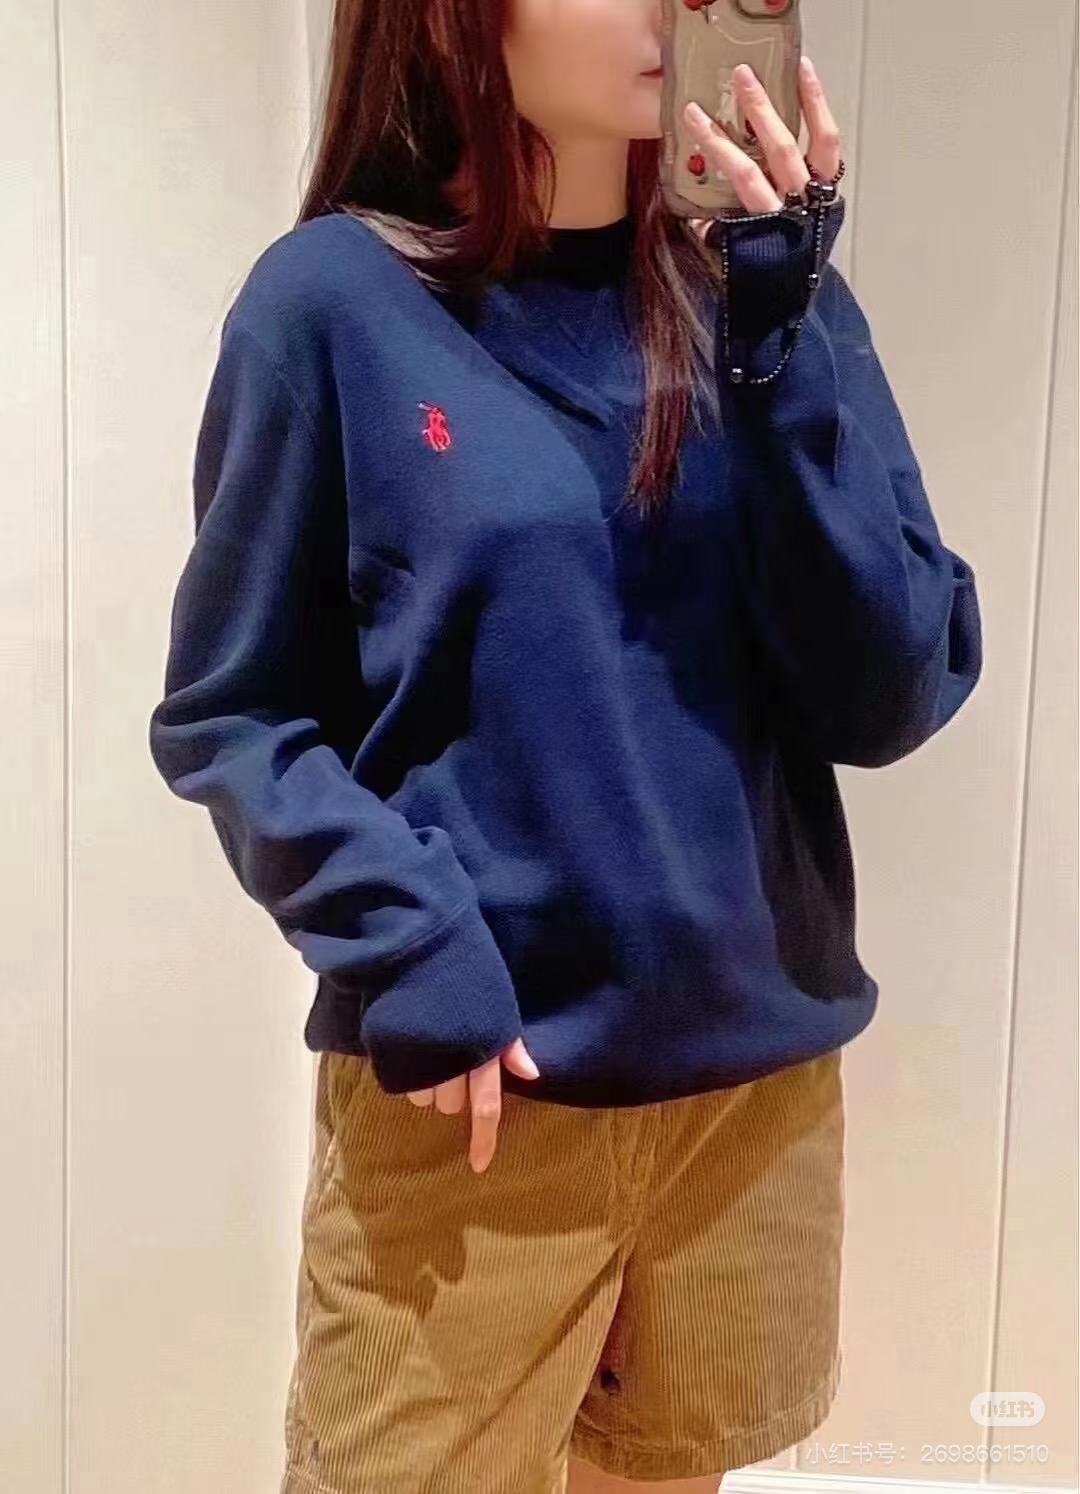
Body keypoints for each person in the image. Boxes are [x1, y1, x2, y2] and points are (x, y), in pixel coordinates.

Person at [147, 1, 983, 1490]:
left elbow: (892, 687)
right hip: (480, 1114)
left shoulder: (765, 297)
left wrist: (782, 342)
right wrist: (407, 938)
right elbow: (233, 709)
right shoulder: (329, 306)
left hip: (750, 1110)